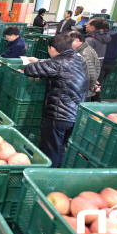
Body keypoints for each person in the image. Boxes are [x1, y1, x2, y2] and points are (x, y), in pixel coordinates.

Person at [24, 34, 89, 167]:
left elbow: (29, 69)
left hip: (58, 115)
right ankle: (56, 172)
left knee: (50, 149)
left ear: (53, 49)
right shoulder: (79, 58)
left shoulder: (59, 63)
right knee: (60, 147)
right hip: (74, 113)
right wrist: (40, 60)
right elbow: (58, 66)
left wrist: (35, 62)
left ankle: (47, 179)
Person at [91, 21, 117, 102]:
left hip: (102, 62)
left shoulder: (105, 37)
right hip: (113, 62)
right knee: (100, 81)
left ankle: (96, 100)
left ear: (101, 29)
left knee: (98, 82)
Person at [69, 31, 100, 102]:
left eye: (69, 41)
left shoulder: (84, 53)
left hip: (83, 91)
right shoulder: (84, 49)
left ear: (77, 40)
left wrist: (92, 86)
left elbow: (91, 73)